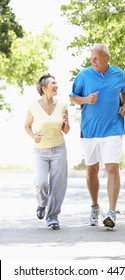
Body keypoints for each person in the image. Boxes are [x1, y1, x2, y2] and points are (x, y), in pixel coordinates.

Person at [70, 44, 125, 229]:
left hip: (112, 129)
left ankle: (111, 212)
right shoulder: (84, 75)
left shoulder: (118, 74)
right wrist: (86, 99)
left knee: (112, 167)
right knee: (91, 170)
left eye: (96, 58)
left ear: (107, 59)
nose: (92, 61)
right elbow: (73, 97)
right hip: (89, 131)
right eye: (91, 58)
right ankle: (95, 206)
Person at [24, 72, 70, 230]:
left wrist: (65, 122)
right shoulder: (33, 106)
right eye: (53, 83)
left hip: (59, 149)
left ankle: (52, 217)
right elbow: (27, 126)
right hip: (40, 151)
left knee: (57, 185)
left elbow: (66, 130)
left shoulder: (63, 105)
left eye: (56, 83)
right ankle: (42, 203)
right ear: (44, 88)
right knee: (41, 182)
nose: (56, 86)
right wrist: (33, 136)